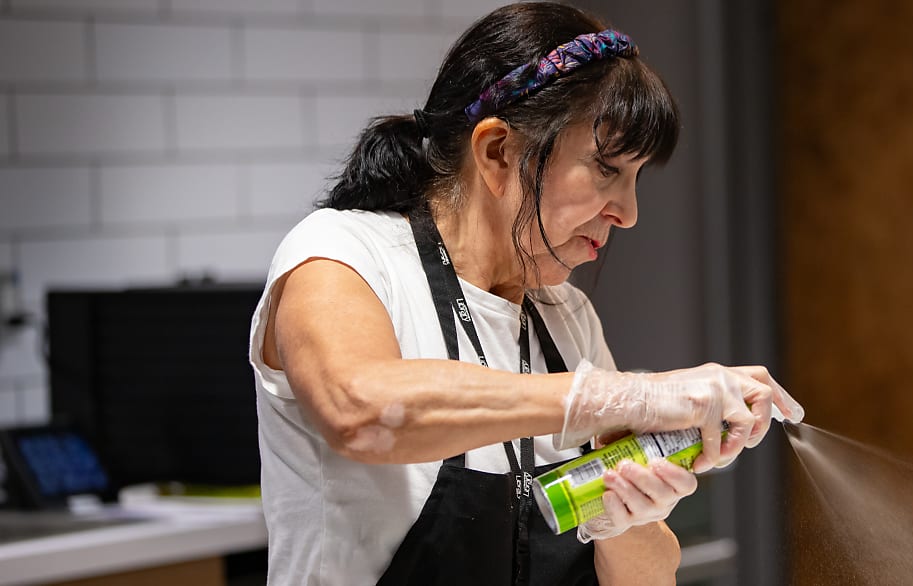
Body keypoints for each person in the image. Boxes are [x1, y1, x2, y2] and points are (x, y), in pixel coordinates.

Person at [246, 3, 803, 584]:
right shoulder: (343, 252)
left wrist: (629, 516)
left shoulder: (566, 317)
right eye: (607, 168)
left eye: (636, 179)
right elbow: (361, 410)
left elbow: (647, 578)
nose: (629, 213)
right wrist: (630, 396)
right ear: (497, 152)